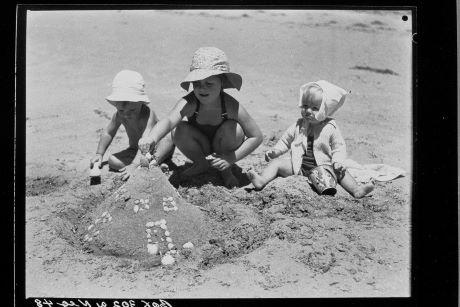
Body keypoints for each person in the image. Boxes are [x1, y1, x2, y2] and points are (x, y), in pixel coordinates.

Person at [138, 47, 263, 188]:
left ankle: (226, 171)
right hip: (200, 145)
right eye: (197, 83)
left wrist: (231, 158)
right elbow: (168, 120)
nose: (202, 88)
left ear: (222, 83)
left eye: (209, 84)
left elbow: (256, 136)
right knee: (178, 129)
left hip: (225, 146)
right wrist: (151, 138)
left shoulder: (230, 105)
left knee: (234, 128)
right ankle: (200, 163)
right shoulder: (190, 102)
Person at [247, 80, 374, 198]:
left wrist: (338, 162)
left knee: (341, 173)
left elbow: (338, 147)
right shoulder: (299, 124)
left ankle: (356, 190)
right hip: (299, 166)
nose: (308, 111)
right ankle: (261, 180)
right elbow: (286, 140)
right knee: (277, 164)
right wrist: (276, 151)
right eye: (305, 105)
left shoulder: (330, 127)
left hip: (323, 168)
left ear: (326, 109)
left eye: (314, 108)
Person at [89, 70, 175, 180]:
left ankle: (154, 162)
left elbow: (147, 143)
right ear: (116, 105)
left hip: (157, 149)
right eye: (121, 110)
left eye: (132, 110)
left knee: (168, 139)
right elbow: (108, 132)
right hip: (136, 150)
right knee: (112, 161)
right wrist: (99, 154)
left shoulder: (147, 115)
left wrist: (134, 165)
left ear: (141, 102)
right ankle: (151, 166)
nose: (126, 114)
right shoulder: (119, 115)